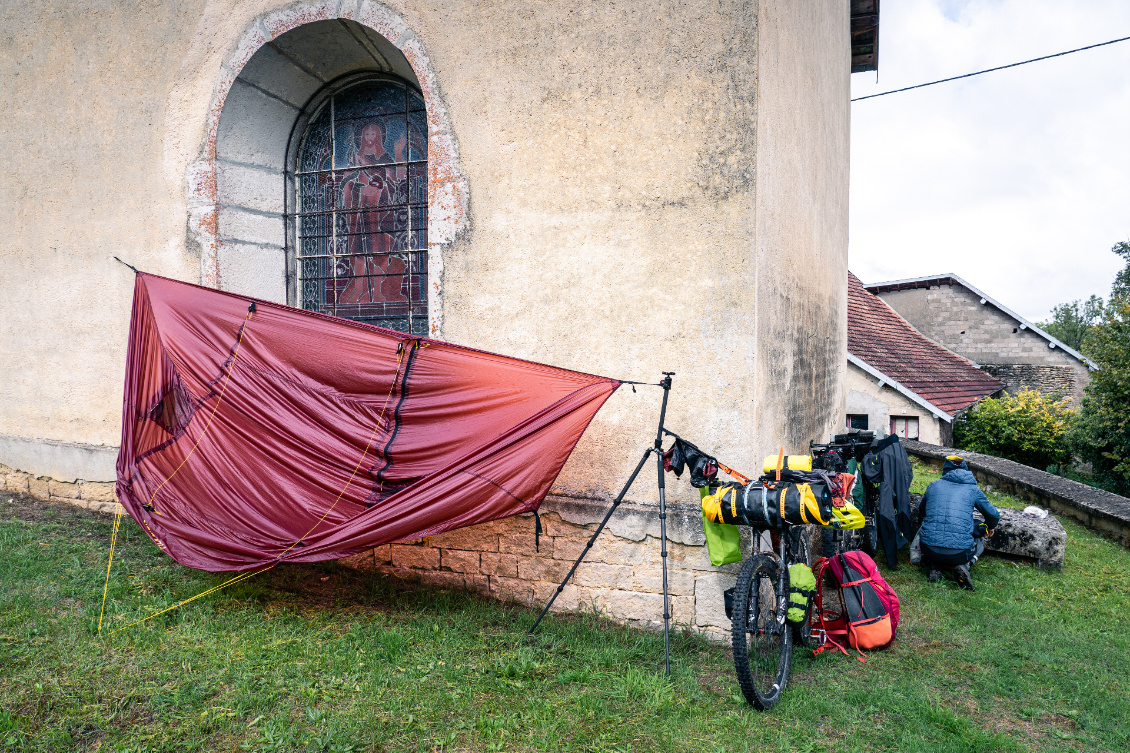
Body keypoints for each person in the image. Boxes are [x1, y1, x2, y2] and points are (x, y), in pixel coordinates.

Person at [918, 456, 999, 591]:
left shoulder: (933, 485)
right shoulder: (973, 490)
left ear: (945, 469)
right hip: (959, 553)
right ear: (966, 470)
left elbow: (922, 511)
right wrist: (989, 527)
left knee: (936, 533)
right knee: (979, 530)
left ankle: (935, 569)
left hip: (928, 549)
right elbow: (993, 515)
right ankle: (965, 565)